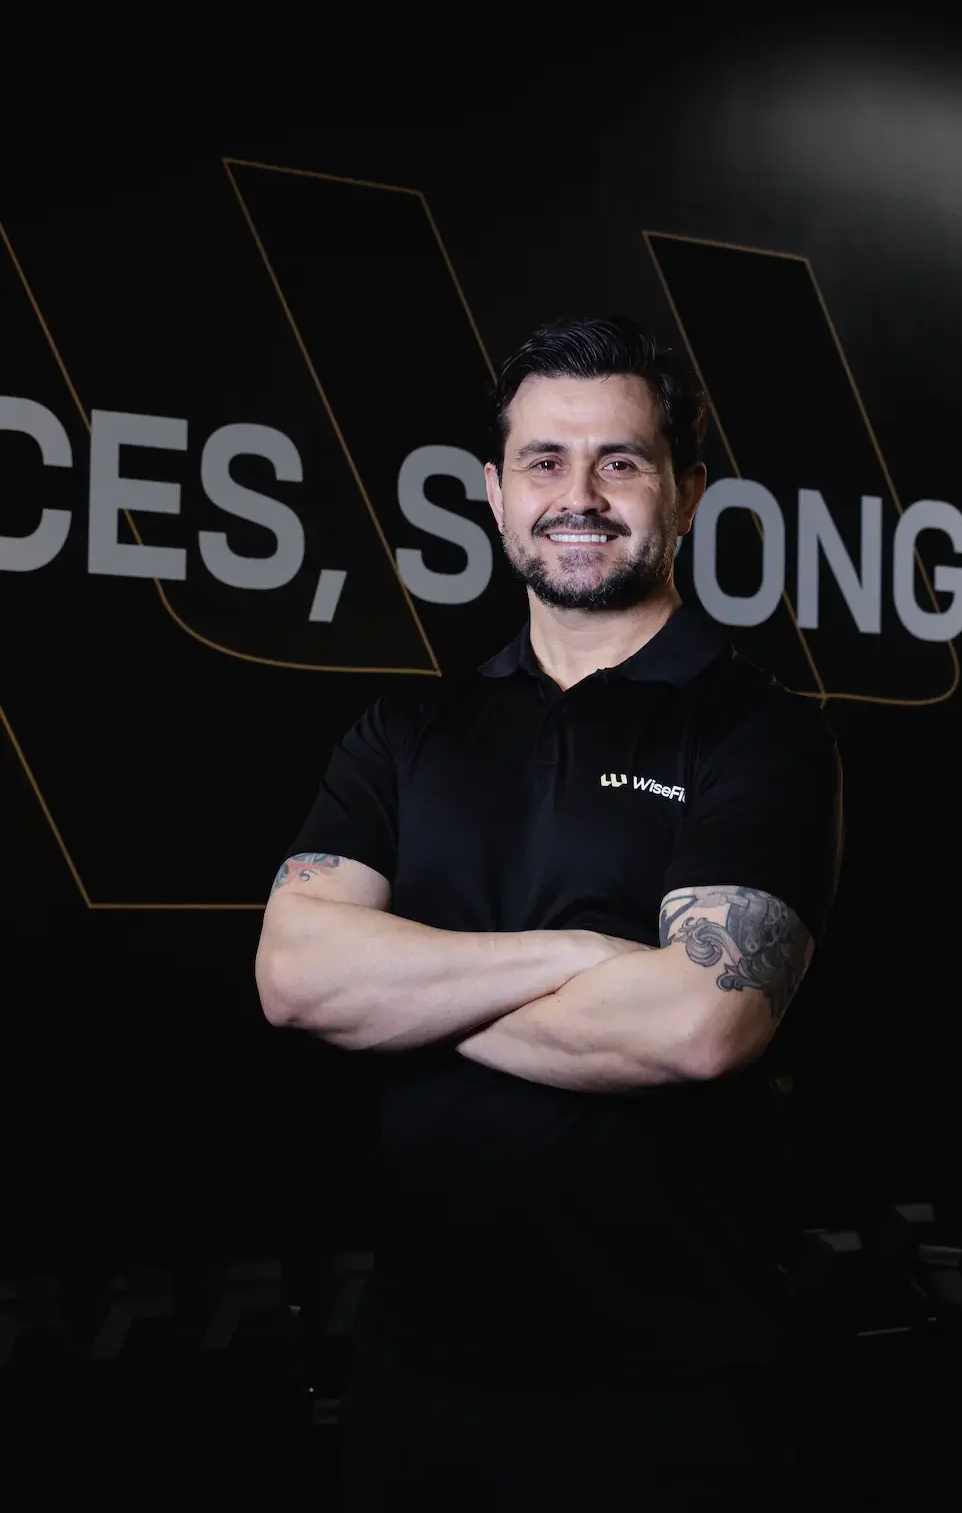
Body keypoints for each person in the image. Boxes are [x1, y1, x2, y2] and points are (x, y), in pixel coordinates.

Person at [255, 316, 843, 1510]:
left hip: (676, 1382)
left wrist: (405, 996)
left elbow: (698, 1025)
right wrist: (581, 956)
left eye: (620, 461)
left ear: (686, 491)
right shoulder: (405, 736)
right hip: (418, 1372)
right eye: (544, 461)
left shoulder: (758, 732)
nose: (579, 496)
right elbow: (294, 977)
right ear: (493, 492)